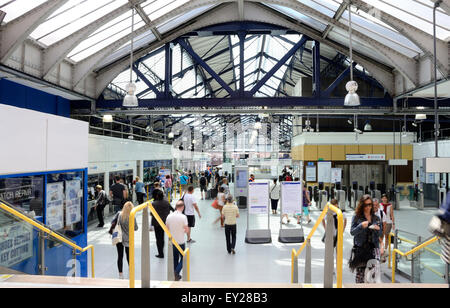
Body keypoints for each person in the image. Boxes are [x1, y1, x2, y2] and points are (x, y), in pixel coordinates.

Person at [349, 195, 382, 283]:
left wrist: (378, 229)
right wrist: (360, 226)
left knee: (373, 274)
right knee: (360, 275)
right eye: (366, 205)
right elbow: (352, 232)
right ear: (362, 205)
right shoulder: (357, 217)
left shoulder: (376, 218)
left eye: (370, 205)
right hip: (361, 249)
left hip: (374, 249)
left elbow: (380, 234)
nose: (368, 207)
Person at [112, 201, 138, 279]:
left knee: (120, 256)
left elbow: (114, 223)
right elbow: (136, 228)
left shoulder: (119, 214)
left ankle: (120, 274)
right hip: (128, 239)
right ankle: (131, 271)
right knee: (129, 256)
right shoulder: (132, 216)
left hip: (119, 238)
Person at [166, 200, 189, 281]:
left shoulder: (169, 216)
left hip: (172, 242)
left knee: (175, 258)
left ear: (175, 207)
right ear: (182, 207)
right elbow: (186, 230)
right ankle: (176, 272)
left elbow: (167, 228)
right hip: (181, 241)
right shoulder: (183, 217)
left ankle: (176, 275)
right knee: (184, 258)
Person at [151, 189, 174, 258]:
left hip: (156, 223)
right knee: (163, 237)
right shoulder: (166, 202)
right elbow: (173, 209)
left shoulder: (154, 204)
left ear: (157, 196)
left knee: (158, 238)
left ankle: (160, 253)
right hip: (165, 222)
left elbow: (151, 213)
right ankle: (162, 251)